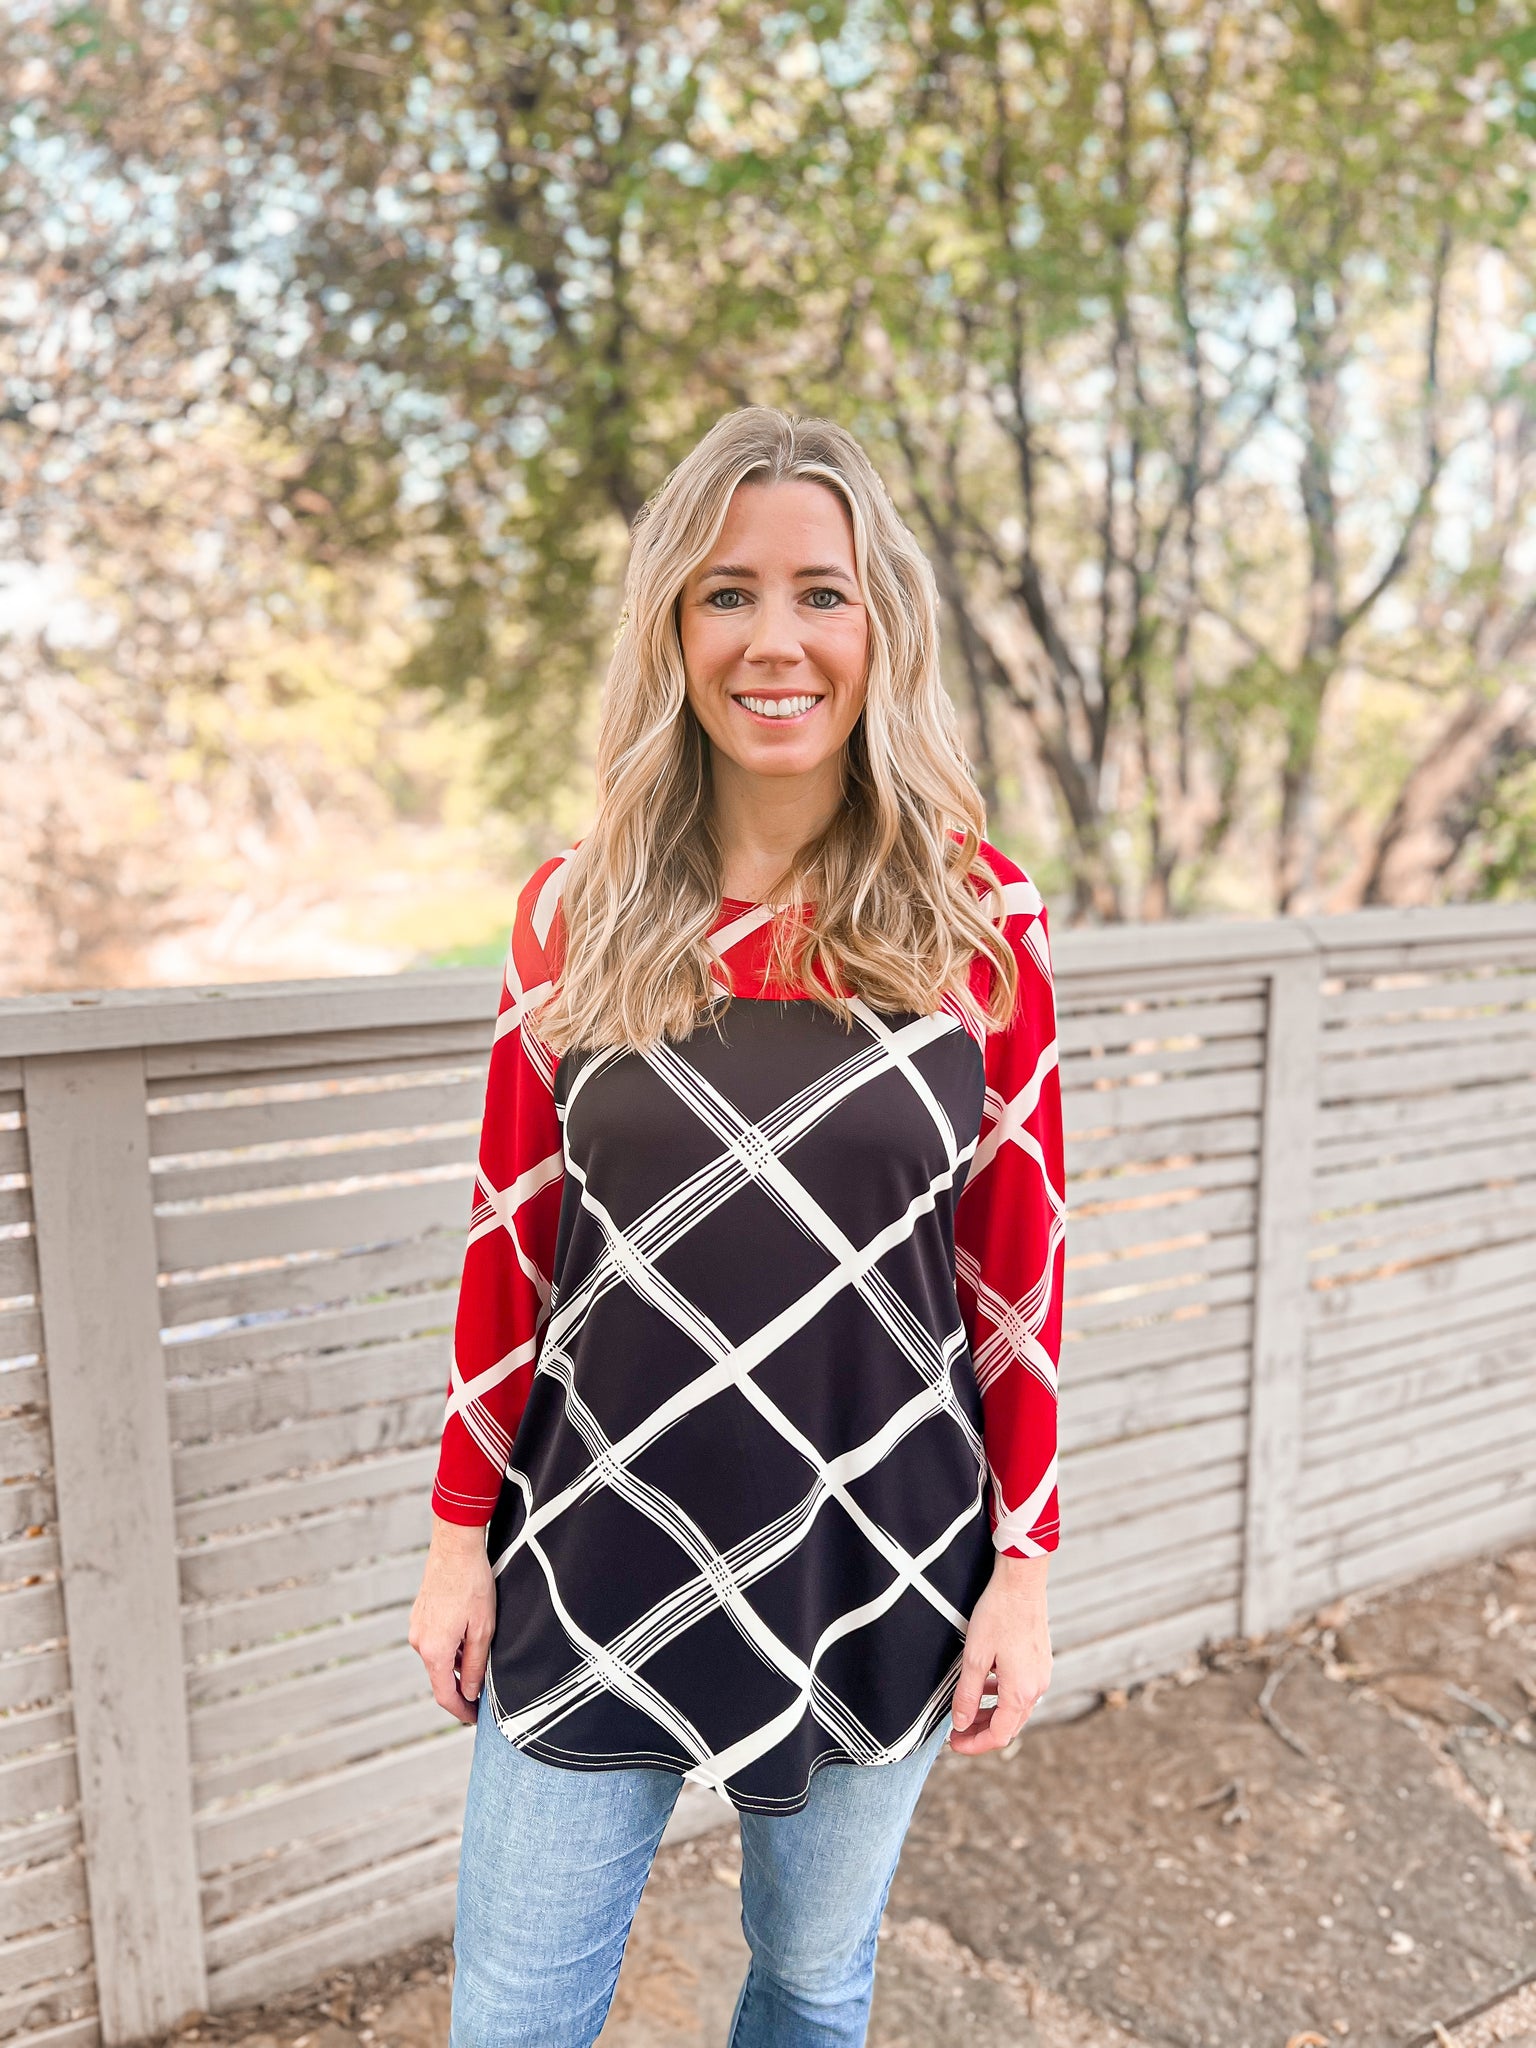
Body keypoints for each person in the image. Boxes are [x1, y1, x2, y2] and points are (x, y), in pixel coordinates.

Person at [408, 405, 1067, 2048]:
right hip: (591, 1537)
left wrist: (1026, 1573)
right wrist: (451, 1536)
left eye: (820, 593)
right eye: (726, 593)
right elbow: (512, 1250)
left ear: (879, 625)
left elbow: (1017, 1279)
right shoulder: (573, 914)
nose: (777, 639)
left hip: (882, 1547)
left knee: (811, 1988)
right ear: (672, 631)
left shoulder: (982, 921)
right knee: (512, 2012)